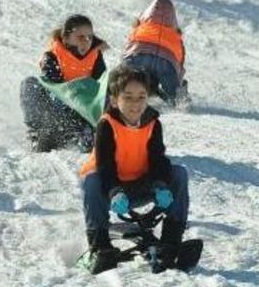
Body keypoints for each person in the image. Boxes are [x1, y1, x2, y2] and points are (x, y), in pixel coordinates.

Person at [79, 65, 191, 271]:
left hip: (140, 185)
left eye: (141, 97)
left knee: (179, 173)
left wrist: (160, 185)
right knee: (91, 179)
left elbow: (157, 159)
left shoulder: (153, 123)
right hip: (109, 188)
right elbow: (105, 166)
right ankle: (99, 245)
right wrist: (115, 191)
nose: (135, 103)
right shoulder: (107, 124)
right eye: (128, 97)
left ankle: (171, 240)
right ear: (115, 100)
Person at [19, 14, 106, 152]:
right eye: (80, 37)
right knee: (29, 84)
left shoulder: (95, 56)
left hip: (83, 111)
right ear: (66, 38)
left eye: (89, 37)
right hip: (57, 109)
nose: (86, 42)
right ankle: (37, 133)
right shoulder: (52, 56)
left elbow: (101, 86)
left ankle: (85, 135)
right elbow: (54, 88)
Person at [122, 0, 187, 105]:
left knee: (121, 82)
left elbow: (128, 46)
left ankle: (114, 94)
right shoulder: (176, 36)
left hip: (137, 56)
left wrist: (124, 65)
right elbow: (180, 62)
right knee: (177, 100)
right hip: (166, 63)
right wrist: (178, 83)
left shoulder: (140, 27)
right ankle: (180, 101)